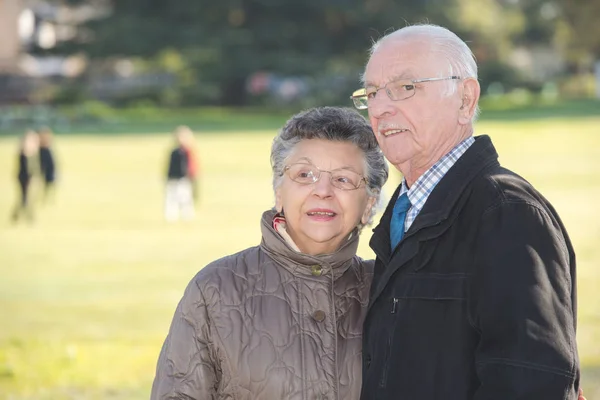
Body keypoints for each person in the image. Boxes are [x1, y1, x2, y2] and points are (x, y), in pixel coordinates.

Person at [350, 24, 581, 399]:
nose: (380, 107)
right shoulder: (404, 210)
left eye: (406, 88)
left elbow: (532, 384)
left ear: (465, 99)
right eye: (372, 92)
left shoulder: (508, 214)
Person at [150, 106, 389, 399]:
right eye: (305, 174)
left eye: (343, 179)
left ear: (369, 204)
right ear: (279, 191)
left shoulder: (393, 290)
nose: (323, 190)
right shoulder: (214, 289)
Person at [164, 126, 195, 221]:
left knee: (185, 197)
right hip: (173, 178)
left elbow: (191, 166)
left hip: (184, 179)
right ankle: (171, 216)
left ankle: (187, 215)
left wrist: (190, 176)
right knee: (171, 197)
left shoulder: (188, 152)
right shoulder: (174, 152)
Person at [10, 129, 39, 223]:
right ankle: (27, 216)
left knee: (24, 197)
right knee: (24, 197)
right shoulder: (24, 152)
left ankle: (19, 215)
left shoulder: (26, 152)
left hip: (25, 177)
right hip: (23, 177)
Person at [38, 126, 57, 203]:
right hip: (44, 166)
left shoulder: (47, 147)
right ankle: (44, 197)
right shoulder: (41, 148)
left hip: (50, 166)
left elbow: (52, 161)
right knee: (45, 182)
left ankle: (49, 198)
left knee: (51, 182)